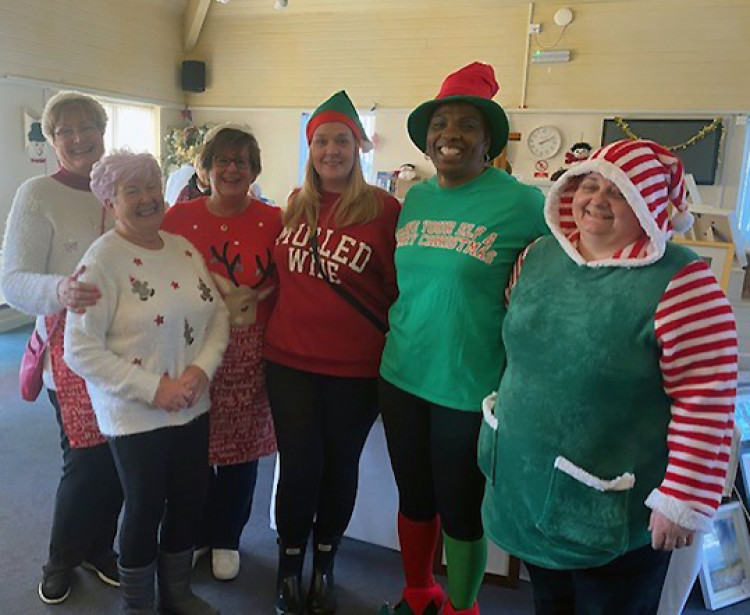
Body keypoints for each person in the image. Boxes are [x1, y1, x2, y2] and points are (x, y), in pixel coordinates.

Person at [479, 139, 737, 615]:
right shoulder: (537, 256)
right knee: (549, 603)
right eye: (588, 184)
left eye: (618, 192)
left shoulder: (684, 283)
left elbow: (707, 399)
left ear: (649, 205)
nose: (596, 200)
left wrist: (683, 496)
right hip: (528, 488)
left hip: (611, 505)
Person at [378, 62, 548, 615]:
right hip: (401, 373)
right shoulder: (417, 198)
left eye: (466, 125)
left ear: (488, 140)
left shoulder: (524, 204)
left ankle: (461, 607)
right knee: (415, 498)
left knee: (460, 507)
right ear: (427, 138)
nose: (450, 134)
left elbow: (561, 274)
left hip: (470, 384)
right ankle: (417, 592)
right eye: (441, 123)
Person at [64, 151, 229, 615]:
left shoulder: (182, 248)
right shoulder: (102, 261)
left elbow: (216, 314)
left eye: (151, 187)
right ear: (110, 202)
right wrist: (154, 389)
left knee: (189, 500)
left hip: (193, 403)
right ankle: (138, 605)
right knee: (144, 507)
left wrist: (200, 372)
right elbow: (80, 349)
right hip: (136, 414)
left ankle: (177, 595)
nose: (146, 198)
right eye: (130, 191)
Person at [264, 90, 401, 615]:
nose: (331, 150)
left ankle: (324, 564)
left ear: (357, 147)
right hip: (289, 361)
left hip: (356, 369)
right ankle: (287, 563)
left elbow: (398, 291)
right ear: (310, 148)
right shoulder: (292, 207)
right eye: (321, 140)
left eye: (341, 139)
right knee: (299, 466)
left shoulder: (384, 211)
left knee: (339, 466)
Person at [1, 90, 123, 605]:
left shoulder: (122, 187)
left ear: (102, 129)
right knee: (84, 462)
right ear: (51, 140)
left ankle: (99, 548)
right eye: (64, 131)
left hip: (130, 349)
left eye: (86, 126)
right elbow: (12, 281)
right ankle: (61, 557)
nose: (78, 138)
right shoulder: (37, 194)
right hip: (68, 354)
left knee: (121, 458)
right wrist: (60, 290)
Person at [162, 124, 280, 581]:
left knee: (241, 450)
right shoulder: (177, 217)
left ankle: (227, 535)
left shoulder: (274, 220)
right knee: (191, 447)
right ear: (205, 168)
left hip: (249, 351)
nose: (232, 169)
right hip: (188, 347)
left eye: (242, 162)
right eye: (222, 161)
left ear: (254, 170)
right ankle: (193, 533)